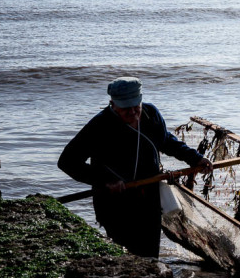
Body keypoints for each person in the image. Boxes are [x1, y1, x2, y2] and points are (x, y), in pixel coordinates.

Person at [58, 76, 212, 258]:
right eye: (125, 108)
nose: (132, 112)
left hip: (149, 197)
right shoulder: (99, 126)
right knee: (126, 256)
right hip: (115, 201)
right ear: (112, 104)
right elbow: (68, 161)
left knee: (150, 255)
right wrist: (104, 181)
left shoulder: (151, 114)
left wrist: (195, 158)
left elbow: (167, 141)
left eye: (135, 106)